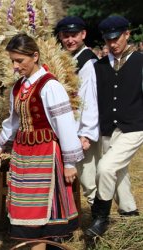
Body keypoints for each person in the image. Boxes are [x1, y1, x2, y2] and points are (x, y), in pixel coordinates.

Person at [0, 33, 84, 249]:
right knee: (26, 209)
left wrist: (70, 163)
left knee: (44, 211)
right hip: (23, 156)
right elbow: (13, 122)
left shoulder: (50, 86)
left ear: (35, 56)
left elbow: (65, 125)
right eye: (12, 61)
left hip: (45, 154)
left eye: (19, 60)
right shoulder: (18, 88)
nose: (15, 66)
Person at [85, 16, 143, 238]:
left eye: (116, 38)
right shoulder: (98, 66)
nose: (112, 44)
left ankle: (101, 217)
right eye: (108, 40)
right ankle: (130, 215)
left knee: (106, 168)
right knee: (118, 173)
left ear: (127, 34)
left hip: (134, 127)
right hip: (108, 128)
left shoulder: (140, 61)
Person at [56, 16, 100, 206]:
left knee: (88, 177)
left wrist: (86, 133)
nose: (70, 40)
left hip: (82, 129)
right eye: (65, 36)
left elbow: (90, 101)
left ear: (83, 34)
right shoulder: (65, 59)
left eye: (74, 35)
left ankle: (100, 217)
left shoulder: (87, 62)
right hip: (71, 126)